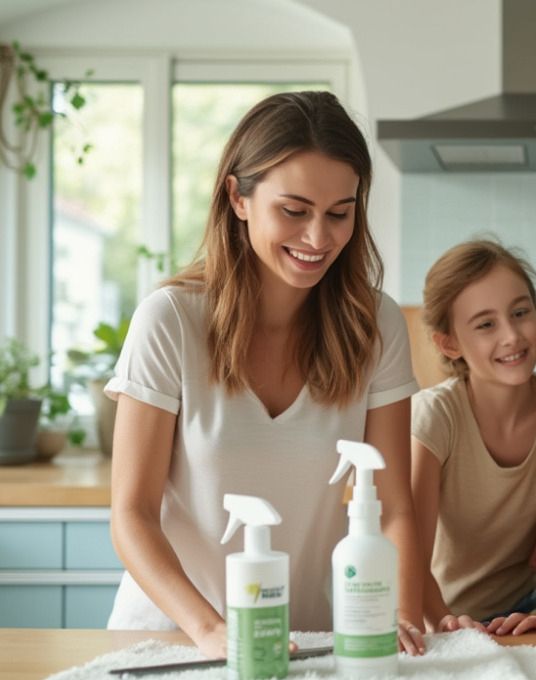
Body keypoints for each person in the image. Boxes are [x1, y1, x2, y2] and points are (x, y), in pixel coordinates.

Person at [105, 91, 428, 657]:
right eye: (295, 210)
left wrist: (398, 615)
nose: (318, 239)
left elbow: (396, 505)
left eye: (339, 213)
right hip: (168, 640)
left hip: (299, 642)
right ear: (239, 197)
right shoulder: (171, 321)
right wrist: (210, 631)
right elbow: (132, 514)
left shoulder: (376, 325)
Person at [411, 238, 536, 636]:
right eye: (486, 324)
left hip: (528, 610)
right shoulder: (433, 417)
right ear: (449, 343)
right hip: (442, 611)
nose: (512, 335)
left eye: (520, 312)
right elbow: (410, 558)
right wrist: (444, 621)